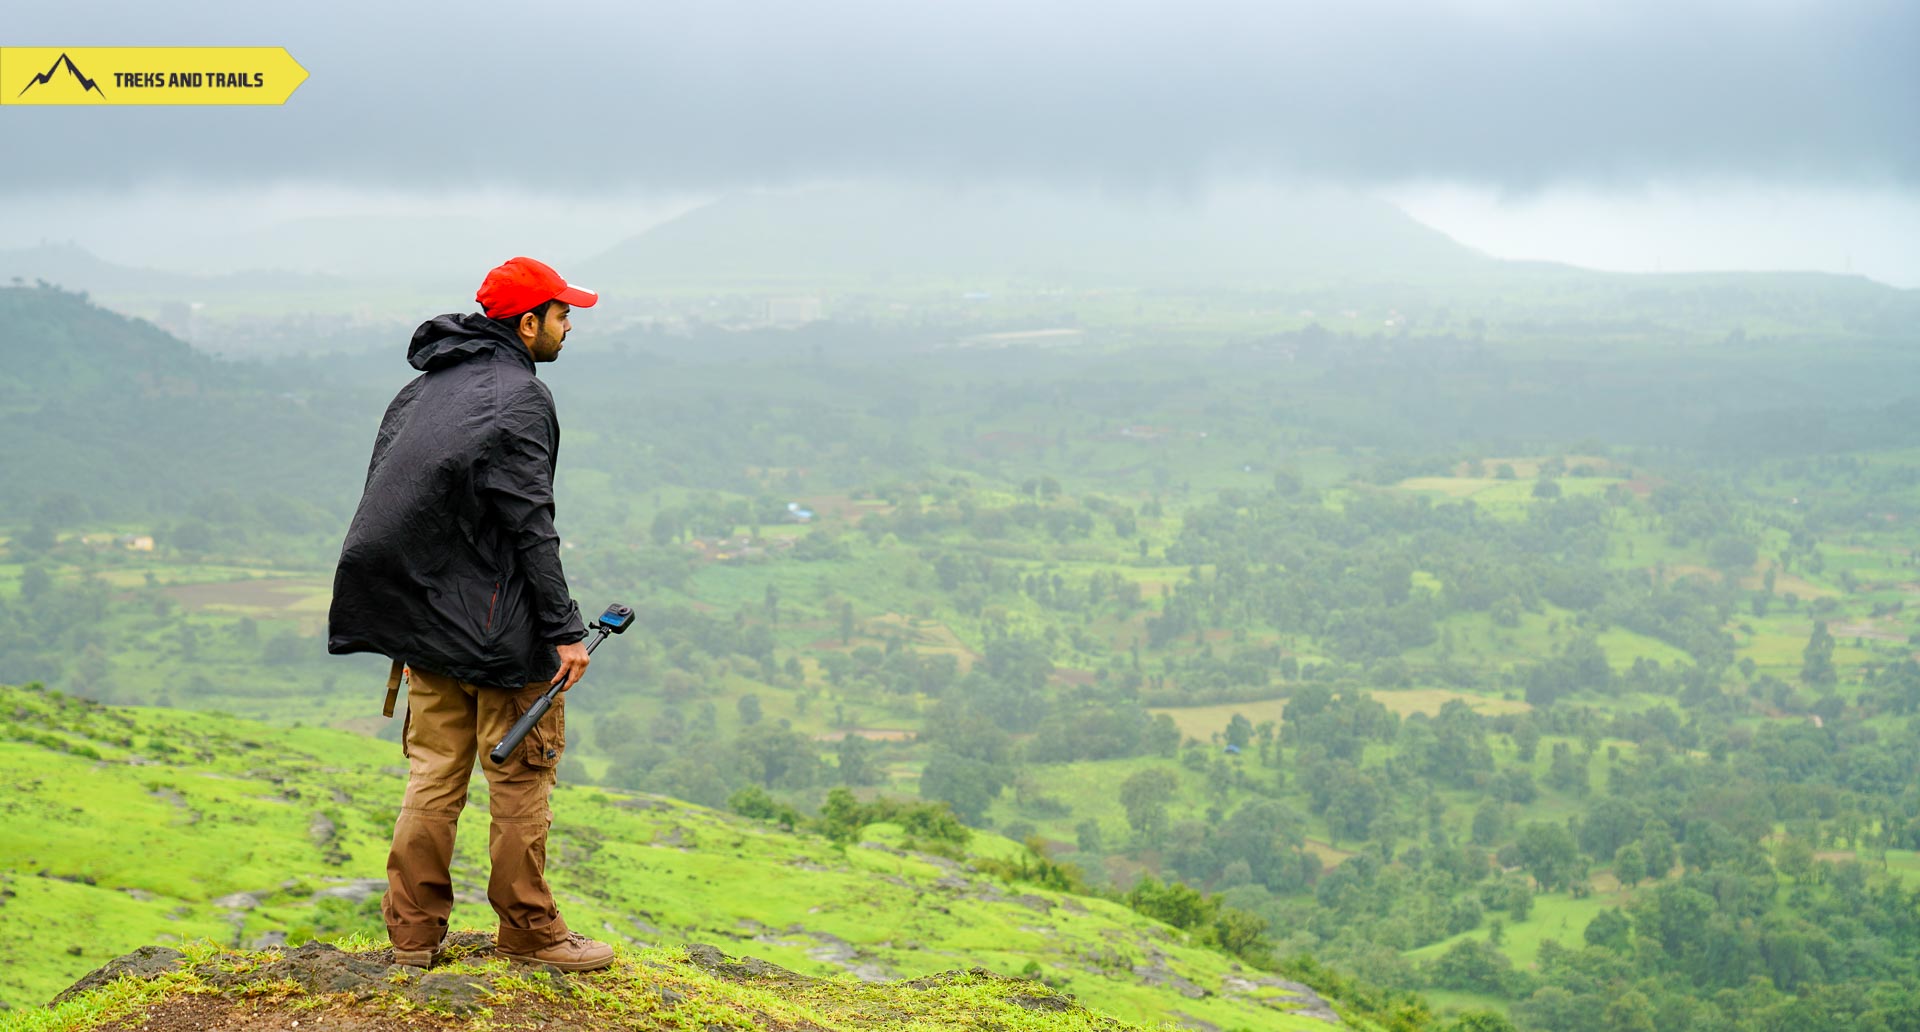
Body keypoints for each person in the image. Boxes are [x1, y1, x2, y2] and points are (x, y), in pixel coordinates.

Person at [328, 256, 614, 972]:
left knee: (433, 776)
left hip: (426, 628)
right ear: (527, 322)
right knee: (520, 776)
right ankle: (530, 931)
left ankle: (412, 936)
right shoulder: (520, 397)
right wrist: (565, 632)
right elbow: (530, 523)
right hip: (501, 631)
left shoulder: (423, 390)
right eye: (560, 313)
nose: (569, 324)